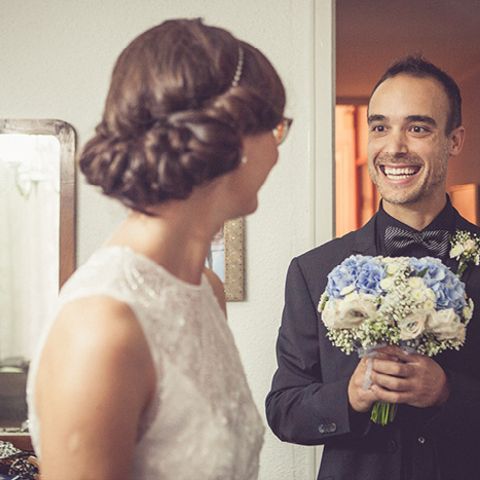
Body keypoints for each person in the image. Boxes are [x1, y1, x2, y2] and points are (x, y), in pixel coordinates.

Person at [265, 55, 480, 479]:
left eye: (417, 128)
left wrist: (448, 393)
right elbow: (283, 410)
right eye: (380, 127)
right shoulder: (314, 272)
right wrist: (348, 397)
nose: (394, 146)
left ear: (454, 140)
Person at [26, 18, 290, 480]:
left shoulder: (207, 289)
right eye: (276, 128)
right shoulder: (102, 328)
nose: (278, 151)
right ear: (233, 134)